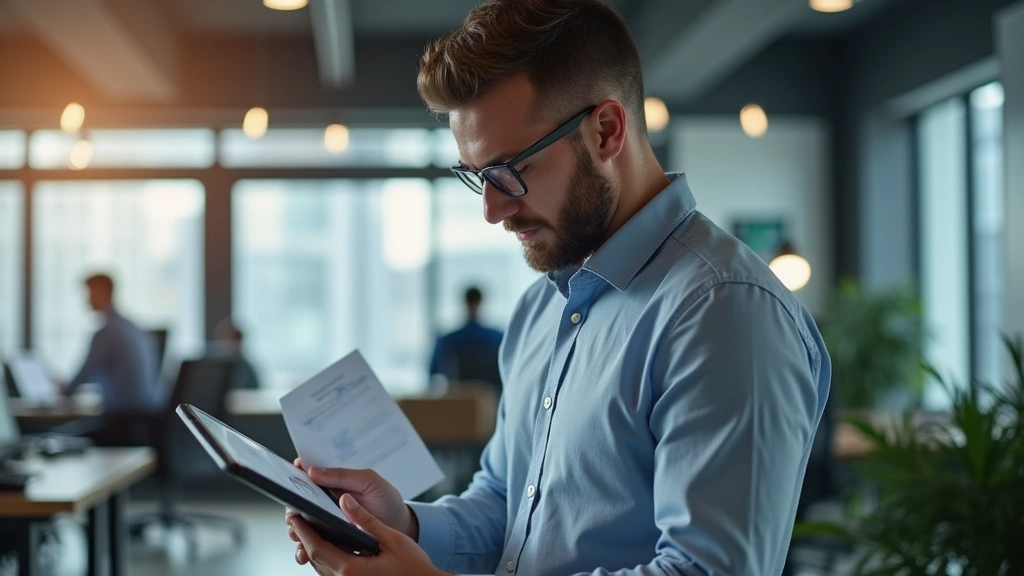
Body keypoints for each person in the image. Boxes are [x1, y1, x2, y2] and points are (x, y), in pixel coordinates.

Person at [285, 1, 831, 574]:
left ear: (606, 131)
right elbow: (505, 509)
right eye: (478, 177)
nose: (492, 210)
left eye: (510, 170)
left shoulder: (724, 309)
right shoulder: (539, 309)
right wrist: (404, 525)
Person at [64, 273, 159, 413]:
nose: (87, 300)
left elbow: (85, 373)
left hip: (121, 417)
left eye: (89, 293)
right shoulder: (134, 328)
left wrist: (63, 390)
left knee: (65, 427)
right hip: (146, 415)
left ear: (102, 292)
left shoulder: (108, 332)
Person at [428, 286, 504, 393]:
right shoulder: (498, 337)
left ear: (464, 302)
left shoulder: (447, 340)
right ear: (480, 302)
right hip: (493, 397)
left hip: (460, 399)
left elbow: (433, 372)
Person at [210, 318, 261, 390]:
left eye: (228, 339)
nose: (225, 344)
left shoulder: (242, 366)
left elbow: (238, 389)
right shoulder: (223, 365)